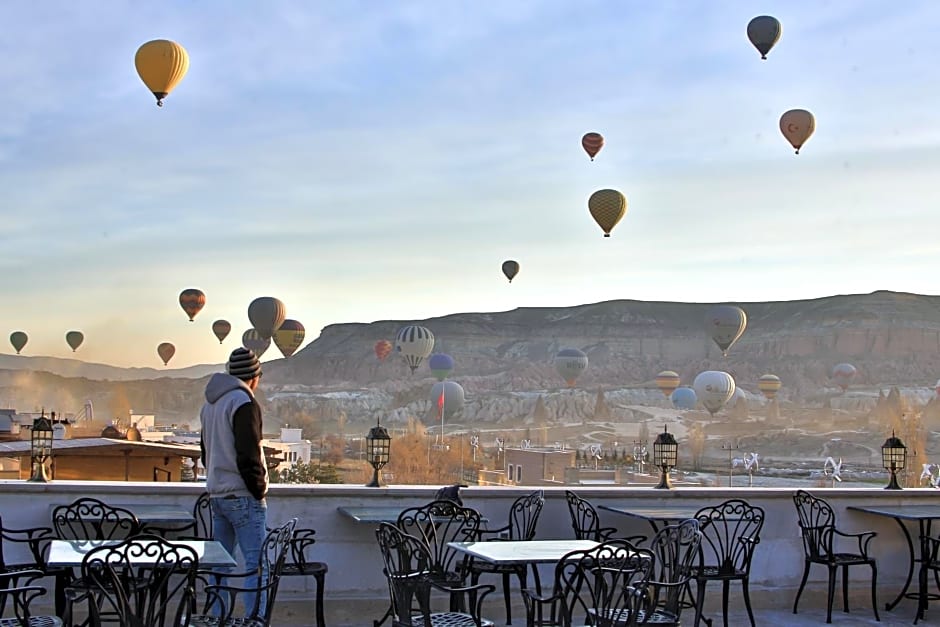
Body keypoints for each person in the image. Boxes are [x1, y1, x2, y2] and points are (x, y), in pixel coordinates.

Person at [200, 347, 268, 617]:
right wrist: (258, 489)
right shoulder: (243, 401)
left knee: (219, 565)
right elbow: (249, 451)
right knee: (257, 565)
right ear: (253, 377)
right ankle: (254, 621)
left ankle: (218, 619)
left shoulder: (210, 404)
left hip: (217, 495)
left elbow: (205, 452)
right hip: (243, 496)